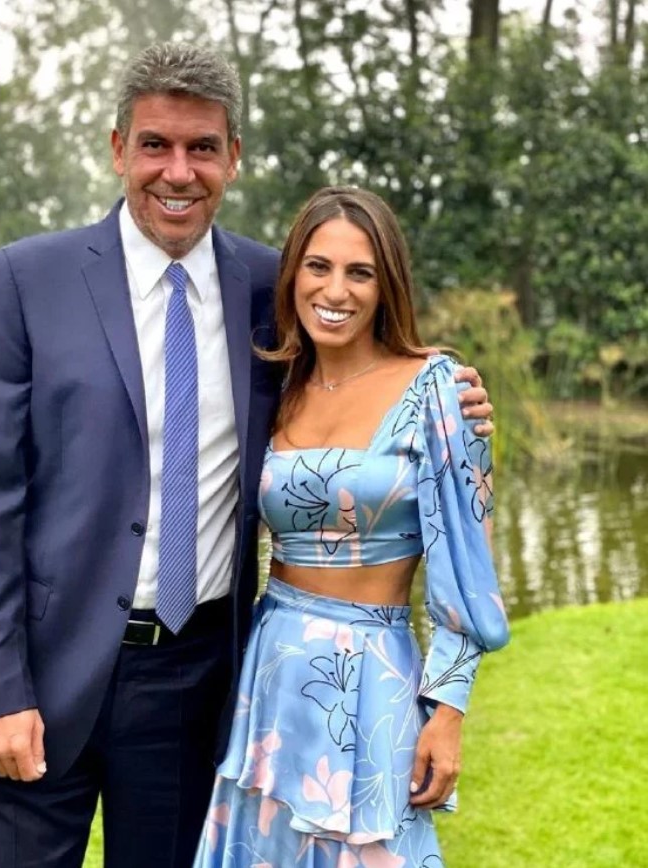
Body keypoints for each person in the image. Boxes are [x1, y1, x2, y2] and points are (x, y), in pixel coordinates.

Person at [0, 44, 495, 868]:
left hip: (195, 684)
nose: (178, 171)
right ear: (118, 149)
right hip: (41, 676)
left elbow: (355, 375)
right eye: (155, 145)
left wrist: (448, 396)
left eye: (201, 147)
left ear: (233, 156)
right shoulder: (28, 279)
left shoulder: (274, 287)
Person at [192, 186, 510, 868]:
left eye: (359, 272)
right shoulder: (276, 386)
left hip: (372, 673)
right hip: (270, 669)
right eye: (318, 266)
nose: (334, 291)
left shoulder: (438, 389)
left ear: (385, 283)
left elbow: (467, 567)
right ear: (292, 276)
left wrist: (448, 711)